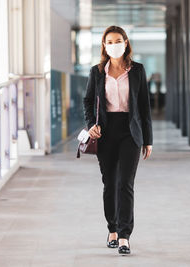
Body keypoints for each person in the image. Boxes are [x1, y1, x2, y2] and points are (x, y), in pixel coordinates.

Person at [83, 25, 153, 255]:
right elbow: (88, 101)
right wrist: (91, 125)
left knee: (126, 183)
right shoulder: (97, 72)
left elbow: (144, 106)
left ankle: (124, 236)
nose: (114, 45)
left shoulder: (137, 70)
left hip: (130, 132)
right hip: (105, 131)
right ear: (104, 45)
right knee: (110, 183)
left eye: (117, 40)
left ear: (126, 42)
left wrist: (148, 139)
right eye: (109, 41)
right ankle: (112, 229)